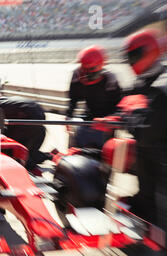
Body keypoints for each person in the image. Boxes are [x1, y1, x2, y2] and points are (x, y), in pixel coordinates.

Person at [94, 29, 167, 233]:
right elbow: (126, 106)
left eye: (133, 56)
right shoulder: (142, 81)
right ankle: (146, 221)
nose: (130, 62)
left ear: (149, 52)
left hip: (160, 151)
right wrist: (111, 120)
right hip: (148, 149)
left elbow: (148, 128)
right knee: (146, 191)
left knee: (162, 199)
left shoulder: (162, 86)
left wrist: (124, 120)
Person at [0, 87, 51, 173]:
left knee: (8, 147)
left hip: (28, 121)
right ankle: (52, 156)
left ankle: (31, 170)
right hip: (40, 122)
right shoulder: (7, 101)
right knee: (30, 153)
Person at [66, 45, 123, 149]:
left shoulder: (110, 79)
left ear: (100, 66)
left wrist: (111, 120)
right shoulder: (76, 76)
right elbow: (73, 99)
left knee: (108, 148)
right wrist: (68, 116)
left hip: (107, 119)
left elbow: (119, 105)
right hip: (89, 115)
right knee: (73, 136)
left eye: (91, 70)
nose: (87, 75)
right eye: (85, 70)